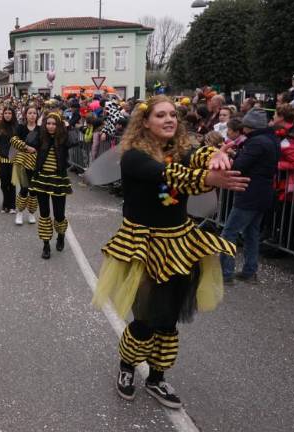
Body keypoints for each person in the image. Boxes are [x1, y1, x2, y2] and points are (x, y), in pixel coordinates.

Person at [92, 96, 249, 409]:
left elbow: (198, 153)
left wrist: (214, 156)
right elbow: (168, 175)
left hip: (180, 243)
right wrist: (207, 178)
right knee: (146, 316)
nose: (169, 119)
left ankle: (157, 377)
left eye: (173, 115)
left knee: (169, 318)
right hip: (143, 244)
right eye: (160, 115)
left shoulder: (182, 148)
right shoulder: (133, 156)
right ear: (145, 122)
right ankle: (127, 368)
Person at [219, 108, 279, 284]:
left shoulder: (256, 142)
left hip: (250, 191)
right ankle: (249, 271)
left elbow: (240, 166)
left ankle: (226, 273)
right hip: (263, 191)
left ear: (250, 127)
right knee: (251, 233)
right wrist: (238, 155)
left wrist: (231, 159)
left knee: (229, 232)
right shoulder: (271, 139)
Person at [29, 112, 76, 258]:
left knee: (59, 214)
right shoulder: (41, 136)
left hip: (58, 180)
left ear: (58, 125)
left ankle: (61, 234)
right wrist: (38, 126)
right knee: (44, 215)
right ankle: (46, 244)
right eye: (48, 123)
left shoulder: (63, 138)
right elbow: (29, 140)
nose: (50, 126)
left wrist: (68, 127)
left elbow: (75, 141)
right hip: (42, 179)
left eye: (54, 124)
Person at [11, 105, 40, 225]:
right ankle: (20, 212)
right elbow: (13, 140)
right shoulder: (20, 128)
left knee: (34, 190)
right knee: (24, 188)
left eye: (34, 113)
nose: (32, 115)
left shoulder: (41, 129)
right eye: (30, 113)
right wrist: (26, 147)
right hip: (23, 162)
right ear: (25, 115)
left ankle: (32, 213)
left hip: (37, 163)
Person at [0, 106, 18, 213]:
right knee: (4, 183)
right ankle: (5, 205)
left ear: (13, 115)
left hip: (14, 161)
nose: (7, 115)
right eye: (6, 113)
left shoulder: (17, 127)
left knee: (13, 184)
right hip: (2, 160)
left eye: (10, 113)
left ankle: (12, 206)